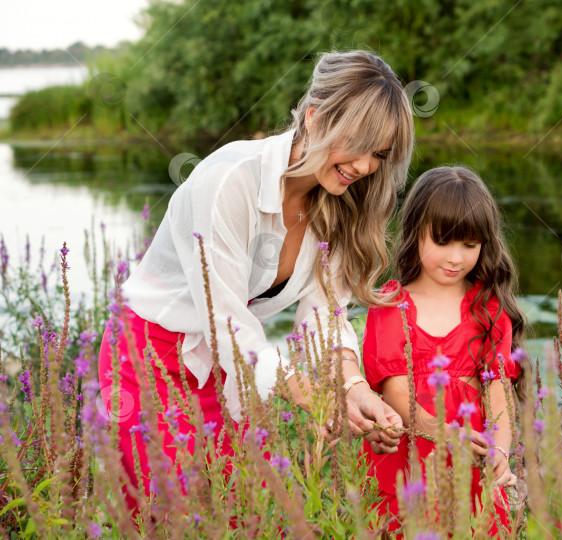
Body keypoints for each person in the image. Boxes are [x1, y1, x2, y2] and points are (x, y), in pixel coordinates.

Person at [96, 50, 414, 511]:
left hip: (227, 369)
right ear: (314, 117)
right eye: (359, 145)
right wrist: (316, 400)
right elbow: (228, 327)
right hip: (148, 358)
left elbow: (324, 317)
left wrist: (353, 388)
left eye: (379, 155)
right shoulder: (229, 181)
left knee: (253, 511)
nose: (366, 167)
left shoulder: (341, 203)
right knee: (172, 514)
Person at [361, 165, 528, 535]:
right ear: (414, 231)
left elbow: (498, 397)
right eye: (443, 241)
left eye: (469, 245)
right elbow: (397, 394)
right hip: (406, 467)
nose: (456, 258)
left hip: (471, 472)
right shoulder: (390, 304)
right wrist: (449, 434)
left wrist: (500, 452)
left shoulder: (489, 308)